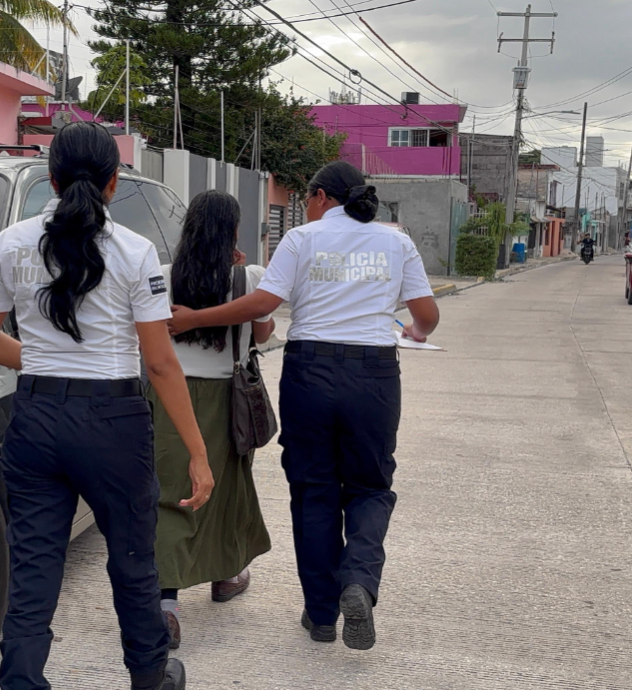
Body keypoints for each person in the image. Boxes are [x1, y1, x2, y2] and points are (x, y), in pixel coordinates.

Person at [0, 121, 214, 690]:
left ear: (49, 178)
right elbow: (159, 361)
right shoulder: (135, 253)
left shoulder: (9, 246)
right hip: (114, 421)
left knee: (32, 577)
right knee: (133, 563)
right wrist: (198, 453)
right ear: (114, 183)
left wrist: (48, 365)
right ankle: (148, 689)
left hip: (37, 418)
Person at [169, 161, 440, 651]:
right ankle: (357, 580)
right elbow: (427, 316)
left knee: (314, 491)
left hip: (309, 371)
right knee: (370, 486)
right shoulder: (396, 242)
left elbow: (261, 306)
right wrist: (413, 334)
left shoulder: (301, 239)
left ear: (319, 197)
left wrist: (193, 319)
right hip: (374, 374)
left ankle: (320, 616)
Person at [152, 190, 274, 648]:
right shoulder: (249, 278)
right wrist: (241, 277)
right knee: (227, 491)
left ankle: (165, 606)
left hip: (168, 395)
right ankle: (225, 577)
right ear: (234, 232)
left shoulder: (161, 277)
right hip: (227, 399)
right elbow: (262, 331)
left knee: (172, 496)